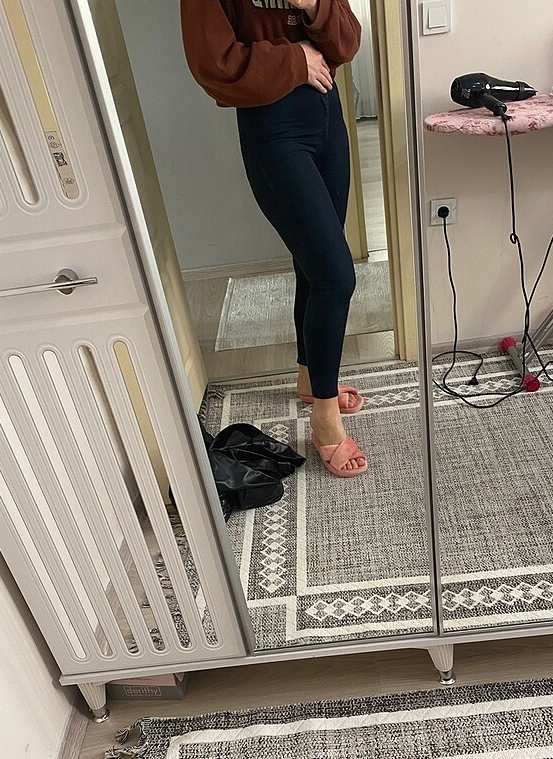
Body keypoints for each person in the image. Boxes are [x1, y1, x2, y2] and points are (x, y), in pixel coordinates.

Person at [181, 0, 368, 477]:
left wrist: (313, 5)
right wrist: (295, 60)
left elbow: (346, 41)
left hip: (328, 116)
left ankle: (310, 377)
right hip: (274, 129)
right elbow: (213, 64)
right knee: (335, 276)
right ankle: (324, 414)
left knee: (313, 264)